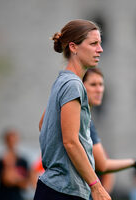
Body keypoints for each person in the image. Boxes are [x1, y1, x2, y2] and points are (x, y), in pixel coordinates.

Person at [35, 19, 110, 200]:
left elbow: (43, 124)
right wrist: (96, 186)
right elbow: (70, 141)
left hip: (54, 189)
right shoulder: (73, 85)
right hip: (63, 191)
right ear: (73, 47)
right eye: (93, 44)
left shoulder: (62, 80)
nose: (100, 49)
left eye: (100, 43)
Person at [82, 68, 136, 183]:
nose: (99, 90)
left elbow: (103, 164)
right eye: (93, 85)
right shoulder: (81, 118)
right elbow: (102, 165)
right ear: (81, 87)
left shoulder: (87, 120)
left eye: (101, 85)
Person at [0, 128, 30, 200]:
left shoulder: (23, 161)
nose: (12, 143)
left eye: (14, 140)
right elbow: (7, 181)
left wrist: (14, 178)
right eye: (10, 141)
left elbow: (25, 185)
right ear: (6, 142)